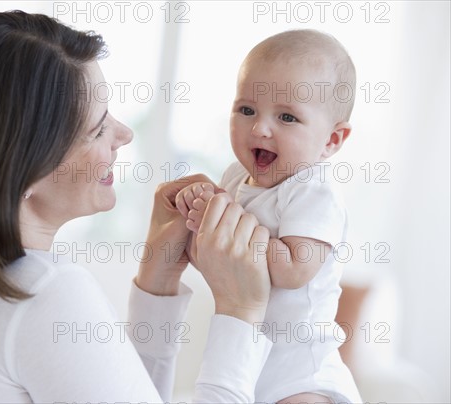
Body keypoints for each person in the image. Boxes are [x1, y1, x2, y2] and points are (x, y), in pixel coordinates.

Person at [0, 11, 274, 403]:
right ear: (23, 172)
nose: (123, 133)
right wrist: (240, 311)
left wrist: (156, 283)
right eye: (97, 128)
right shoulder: (43, 291)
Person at [176, 30, 363, 403]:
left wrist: (233, 227)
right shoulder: (233, 177)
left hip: (302, 370)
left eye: (287, 117)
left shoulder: (312, 189)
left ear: (331, 140)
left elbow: (294, 270)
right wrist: (198, 220)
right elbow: (217, 264)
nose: (260, 128)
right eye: (247, 110)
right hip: (249, 359)